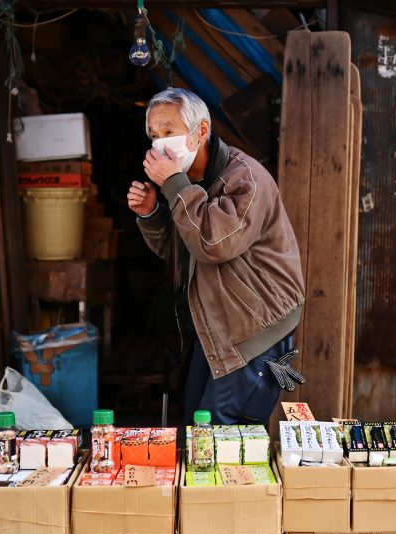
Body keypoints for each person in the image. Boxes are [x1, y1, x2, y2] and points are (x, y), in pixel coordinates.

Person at [127, 88, 306, 425]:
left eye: (170, 132)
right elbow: (181, 251)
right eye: (153, 135)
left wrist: (175, 186)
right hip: (218, 327)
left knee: (222, 428)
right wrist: (151, 214)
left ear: (202, 132)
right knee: (198, 422)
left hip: (254, 328)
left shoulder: (245, 180)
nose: (160, 143)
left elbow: (213, 243)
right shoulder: (187, 182)